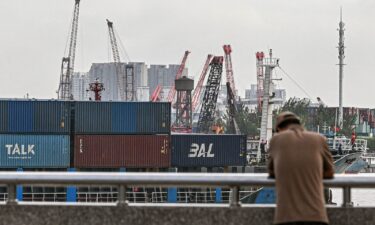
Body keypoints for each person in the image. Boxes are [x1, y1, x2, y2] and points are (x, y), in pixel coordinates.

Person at [268, 111, 334, 225]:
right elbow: (329, 172)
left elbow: (272, 171)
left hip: (286, 217)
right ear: (300, 124)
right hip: (316, 217)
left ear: (279, 128)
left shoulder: (276, 140)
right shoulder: (319, 139)